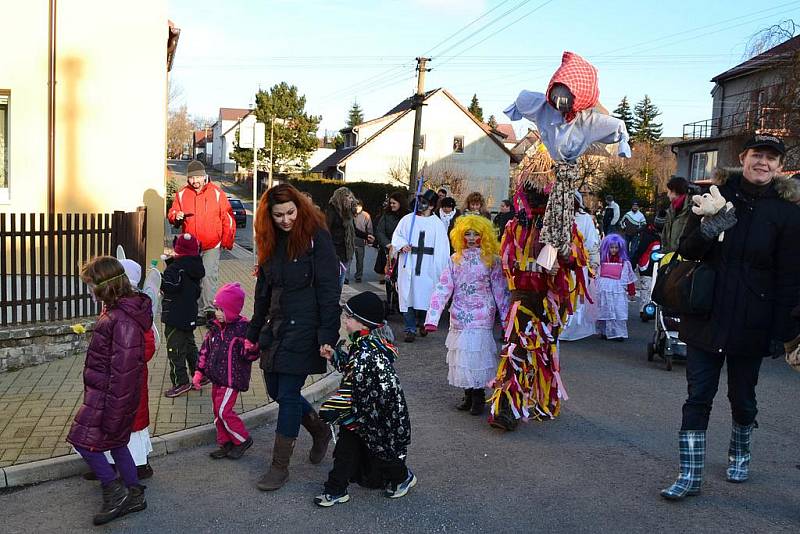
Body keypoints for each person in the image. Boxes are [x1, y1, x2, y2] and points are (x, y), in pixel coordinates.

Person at [661, 134, 800, 500]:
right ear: (744, 157)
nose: (763, 163)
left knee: (743, 397)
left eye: (771, 158)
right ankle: (689, 475)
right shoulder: (716, 197)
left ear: (779, 167)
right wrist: (709, 229)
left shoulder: (787, 213)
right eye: (758, 155)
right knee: (698, 396)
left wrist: (782, 329)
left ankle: (740, 451)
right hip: (707, 313)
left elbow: (789, 276)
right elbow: (687, 249)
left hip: (753, 320)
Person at [248, 183, 340, 491]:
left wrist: (328, 333)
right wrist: (253, 330)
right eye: (278, 215)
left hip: (306, 326)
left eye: (290, 213)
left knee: (287, 395)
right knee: (275, 389)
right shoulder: (270, 241)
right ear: (268, 216)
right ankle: (319, 429)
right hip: (276, 327)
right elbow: (264, 291)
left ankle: (279, 467)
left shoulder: (317, 238)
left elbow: (329, 290)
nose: (286, 220)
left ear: (299, 208)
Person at [68, 256, 152, 525]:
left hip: (109, 399)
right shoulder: (116, 312)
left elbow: (124, 374)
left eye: (90, 284)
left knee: (83, 442)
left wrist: (115, 412)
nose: (89, 290)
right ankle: (135, 493)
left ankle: (115, 493)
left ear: (104, 286)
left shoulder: (121, 319)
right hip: (104, 395)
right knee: (117, 444)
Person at [315, 291, 414, 507]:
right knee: (346, 451)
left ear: (363, 323)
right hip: (364, 414)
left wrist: (334, 407)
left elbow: (356, 386)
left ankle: (402, 477)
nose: (344, 320)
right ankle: (336, 489)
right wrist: (335, 356)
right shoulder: (363, 344)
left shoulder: (368, 353)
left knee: (381, 451)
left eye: (349, 317)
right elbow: (353, 373)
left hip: (374, 416)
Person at [423, 215, 509, 415]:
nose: (471, 238)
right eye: (467, 234)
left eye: (476, 234)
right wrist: (432, 318)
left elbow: (501, 291)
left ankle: (478, 396)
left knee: (476, 355)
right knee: (462, 356)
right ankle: (468, 393)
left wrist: (507, 322)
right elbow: (443, 288)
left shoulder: (492, 260)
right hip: (460, 313)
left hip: (482, 313)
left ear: (484, 236)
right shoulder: (455, 259)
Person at [192, 282, 259, 460]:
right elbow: (205, 350)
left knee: (224, 411)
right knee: (217, 411)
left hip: (232, 379)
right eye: (216, 308)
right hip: (216, 377)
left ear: (232, 310)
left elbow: (250, 355)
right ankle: (225, 442)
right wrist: (199, 372)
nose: (218, 313)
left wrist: (251, 347)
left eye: (222, 309)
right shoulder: (214, 328)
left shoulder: (243, 329)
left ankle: (242, 439)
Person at [167, 160, 235, 324]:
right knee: (192, 278)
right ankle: (196, 311)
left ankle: (209, 311)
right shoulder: (182, 194)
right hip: (191, 247)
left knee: (208, 277)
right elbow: (172, 213)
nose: (195, 181)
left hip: (212, 244)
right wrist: (176, 215)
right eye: (191, 178)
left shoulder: (217, 193)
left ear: (205, 176)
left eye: (198, 177)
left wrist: (227, 240)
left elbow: (228, 218)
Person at [391, 189, 451, 343]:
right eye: (419, 201)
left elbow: (443, 249)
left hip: (428, 268)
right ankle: (410, 328)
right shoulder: (407, 220)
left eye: (424, 202)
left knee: (426, 296)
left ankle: (424, 322)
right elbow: (397, 236)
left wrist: (440, 270)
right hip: (409, 264)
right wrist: (402, 245)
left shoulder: (437, 224)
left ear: (431, 206)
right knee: (407, 296)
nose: (420, 205)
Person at [160, 233, 205, 398]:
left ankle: (181, 382)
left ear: (177, 250)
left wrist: (161, 279)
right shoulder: (195, 266)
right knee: (189, 346)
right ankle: (200, 373)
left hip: (175, 315)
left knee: (175, 349)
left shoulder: (175, 268)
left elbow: (172, 285)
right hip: (189, 314)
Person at [561, 192, 601, 341]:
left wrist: (593, 263)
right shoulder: (559, 217)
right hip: (560, 264)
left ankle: (571, 327)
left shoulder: (585, 219)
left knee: (575, 295)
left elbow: (591, 242)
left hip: (577, 265)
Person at [594, 234, 636, 341]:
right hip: (603, 288)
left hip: (618, 289)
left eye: (616, 247)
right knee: (604, 309)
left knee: (618, 310)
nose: (614, 250)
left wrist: (632, 292)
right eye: (611, 247)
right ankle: (603, 331)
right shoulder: (602, 261)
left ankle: (619, 333)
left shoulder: (624, 263)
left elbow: (629, 278)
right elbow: (596, 275)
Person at [374, 191, 409, 314]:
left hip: (404, 253)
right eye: (391, 203)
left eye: (394, 203)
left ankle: (402, 301)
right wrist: (388, 244)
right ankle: (390, 301)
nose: (392, 205)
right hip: (389, 251)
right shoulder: (386, 216)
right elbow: (380, 231)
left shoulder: (408, 217)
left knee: (403, 278)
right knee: (389, 277)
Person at [325, 186, 357, 287]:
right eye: (348, 197)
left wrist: (366, 236)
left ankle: (336, 300)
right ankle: (333, 301)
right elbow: (326, 231)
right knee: (335, 281)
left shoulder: (348, 213)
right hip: (335, 252)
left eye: (352, 197)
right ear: (341, 197)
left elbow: (353, 229)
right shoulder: (332, 211)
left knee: (340, 280)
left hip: (346, 251)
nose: (351, 199)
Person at [661, 176, 690, 253]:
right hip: (669, 255)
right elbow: (665, 234)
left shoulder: (691, 209)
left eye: (669, 191)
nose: (667, 195)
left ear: (675, 191)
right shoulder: (671, 210)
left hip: (683, 257)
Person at [352, 200, 374, 283]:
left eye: (359, 205)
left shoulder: (366, 215)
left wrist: (369, 240)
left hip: (361, 240)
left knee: (360, 260)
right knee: (349, 260)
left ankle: (358, 276)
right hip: (350, 240)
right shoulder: (350, 214)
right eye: (355, 205)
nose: (357, 207)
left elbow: (369, 228)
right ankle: (346, 277)